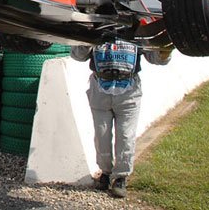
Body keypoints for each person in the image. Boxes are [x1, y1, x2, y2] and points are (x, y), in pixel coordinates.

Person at [70, 36, 172, 198]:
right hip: (100, 87)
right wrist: (88, 40)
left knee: (125, 135)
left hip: (129, 89)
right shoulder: (94, 27)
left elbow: (155, 58)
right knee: (101, 135)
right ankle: (105, 173)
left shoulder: (137, 30)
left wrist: (165, 50)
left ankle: (120, 178)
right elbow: (77, 56)